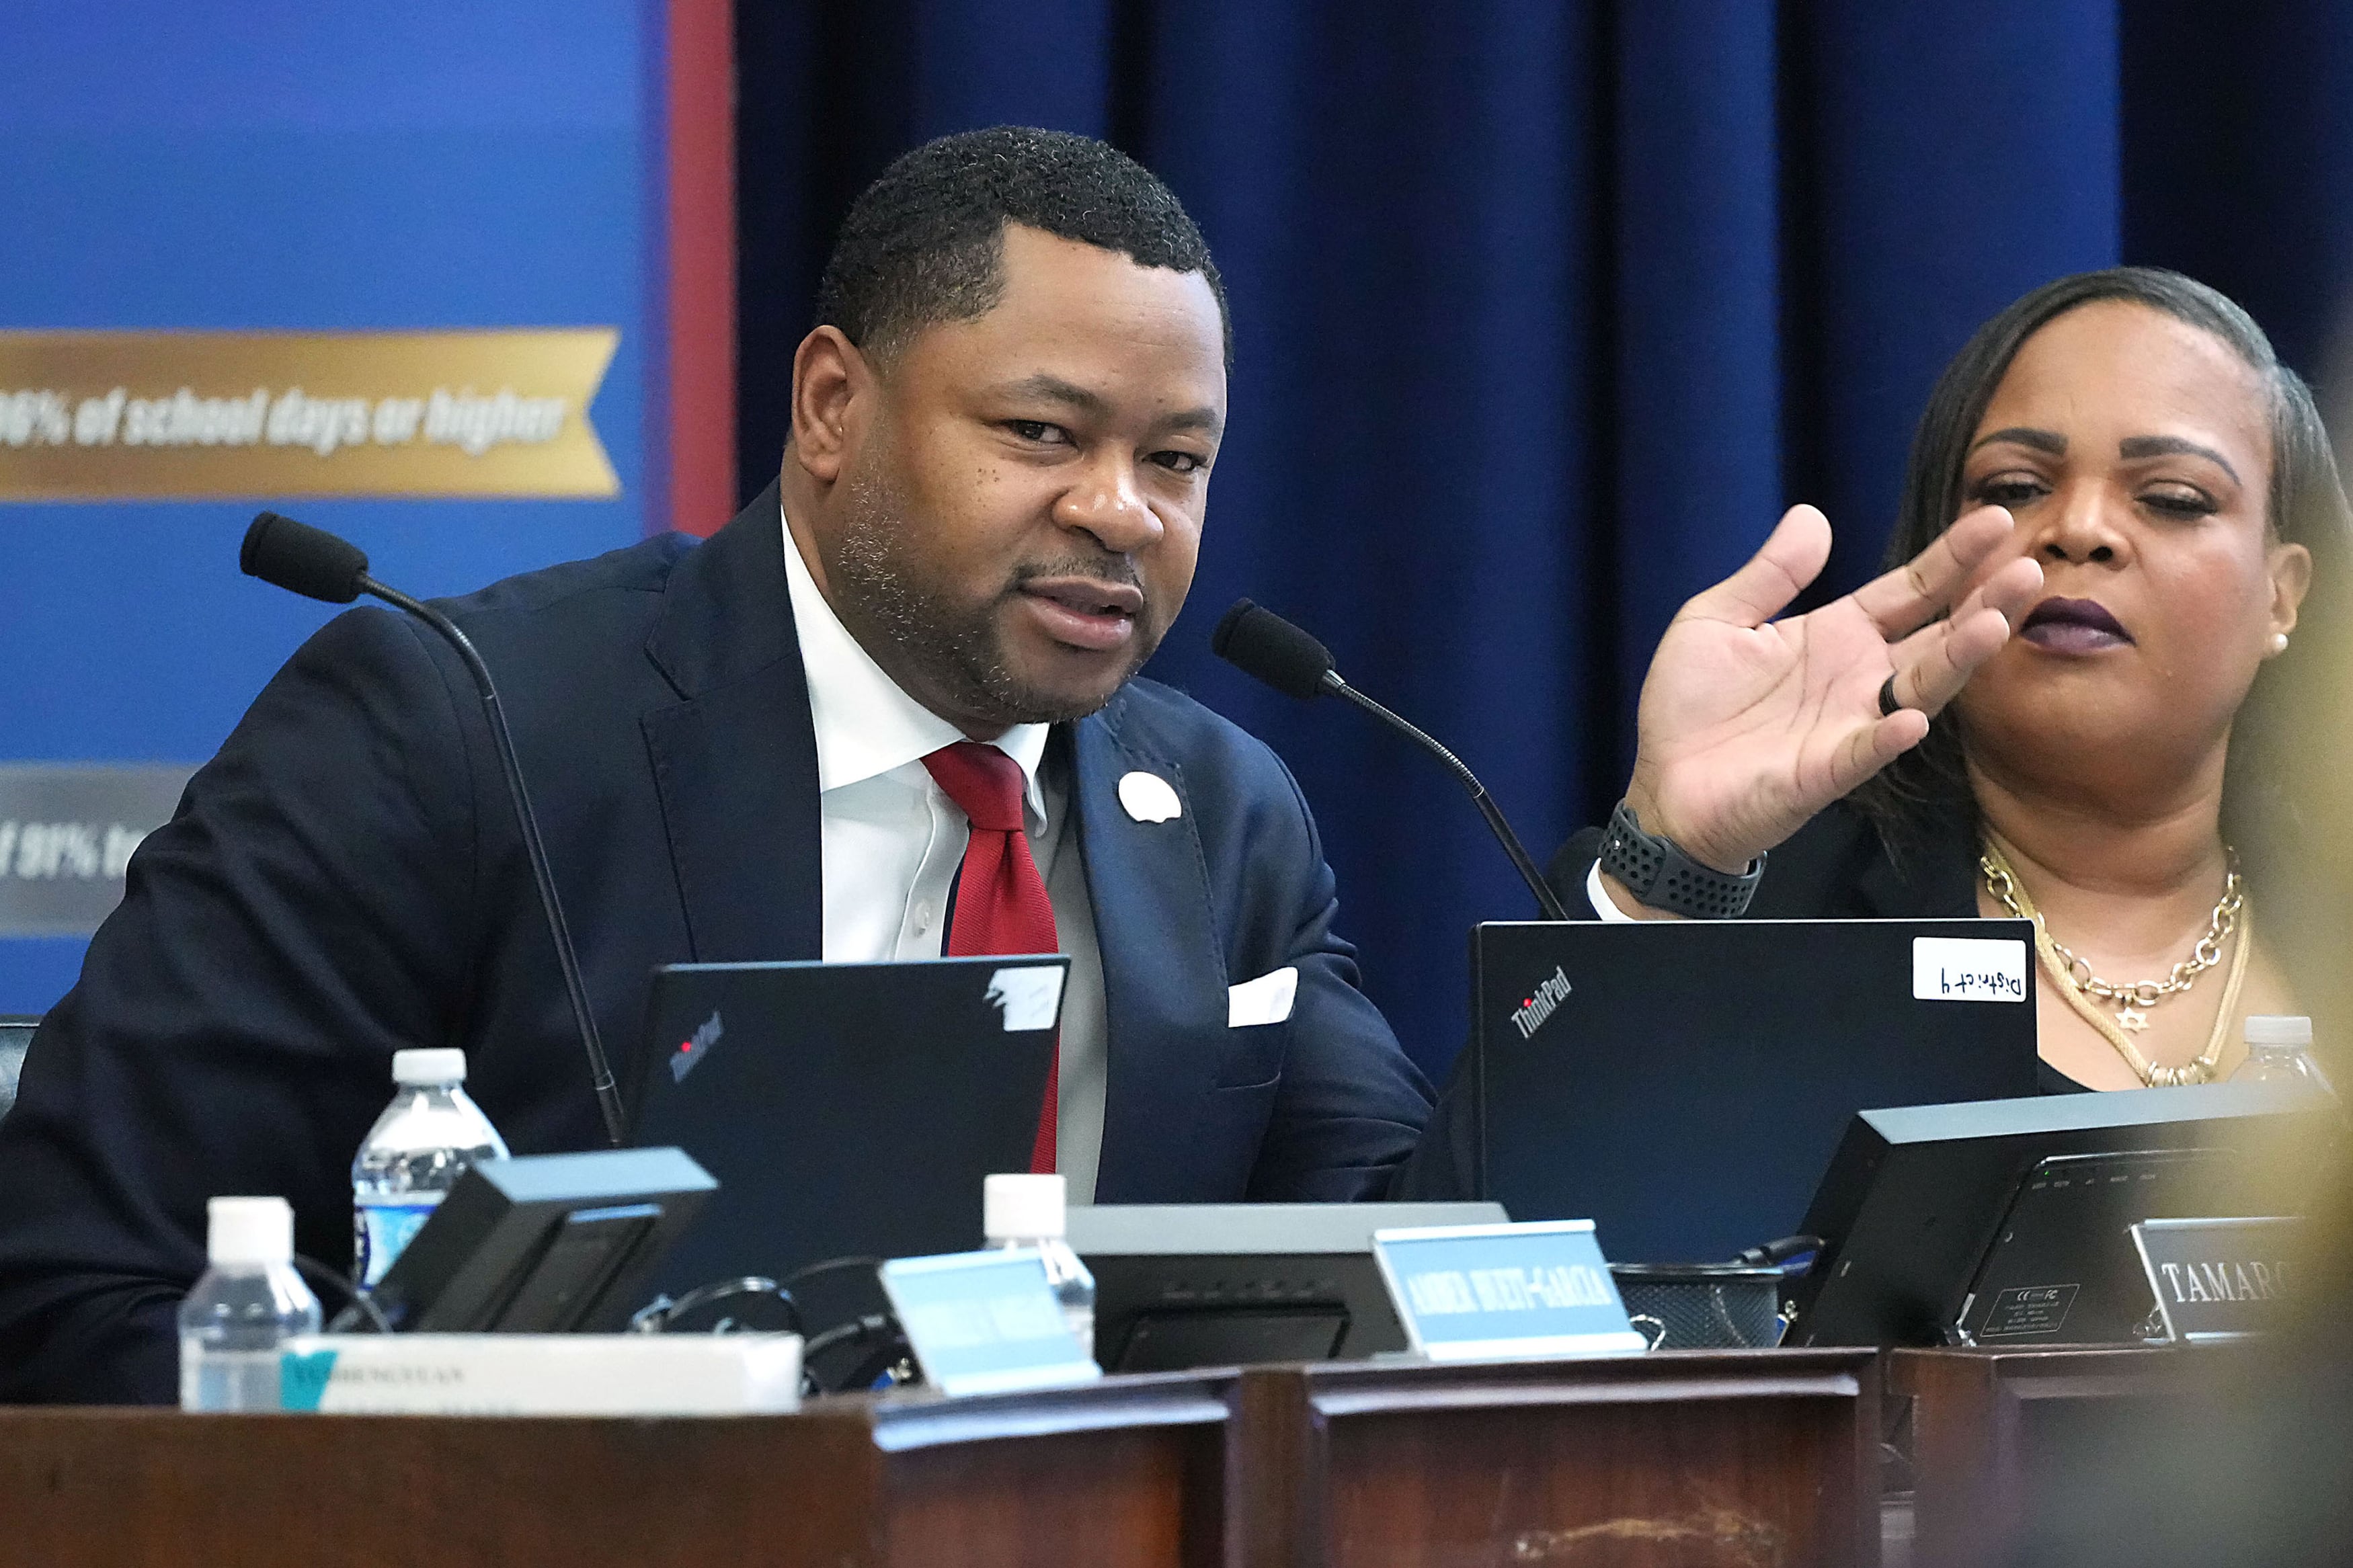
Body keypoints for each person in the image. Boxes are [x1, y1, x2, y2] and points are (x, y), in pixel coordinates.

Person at [1552, 267, 2351, 1094]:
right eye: (2014, 489)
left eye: (2172, 498)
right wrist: (1665, 866)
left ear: (2281, 595)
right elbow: (1475, 1207)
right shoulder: (1745, 907)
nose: (2077, 530)